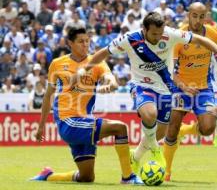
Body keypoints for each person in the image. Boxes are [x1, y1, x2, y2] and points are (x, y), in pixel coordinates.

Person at [73, 12, 217, 174]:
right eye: (154, 34)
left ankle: (136, 156)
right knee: (150, 114)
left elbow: (200, 39)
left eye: (160, 33)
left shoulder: (169, 34)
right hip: (141, 86)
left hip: (165, 90)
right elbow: (102, 53)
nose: (158, 37)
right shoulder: (129, 39)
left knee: (159, 133)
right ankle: (155, 150)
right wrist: (82, 71)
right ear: (144, 30)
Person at [31, 27, 143, 184]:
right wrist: (41, 126)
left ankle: (48, 175)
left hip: (85, 121)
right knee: (120, 128)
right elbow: (48, 95)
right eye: (81, 41)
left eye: (87, 41)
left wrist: (110, 85)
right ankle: (128, 177)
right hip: (68, 122)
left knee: (86, 177)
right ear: (70, 43)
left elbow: (111, 79)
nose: (85, 44)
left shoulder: (96, 62)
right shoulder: (57, 64)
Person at [162, 2, 217, 181]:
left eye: (201, 16)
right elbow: (170, 70)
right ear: (189, 15)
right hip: (180, 87)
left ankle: (185, 131)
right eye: (194, 15)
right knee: (172, 127)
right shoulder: (179, 36)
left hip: (204, 88)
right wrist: (184, 87)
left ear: (205, 17)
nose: (197, 19)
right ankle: (167, 170)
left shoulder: (212, 33)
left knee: (208, 128)